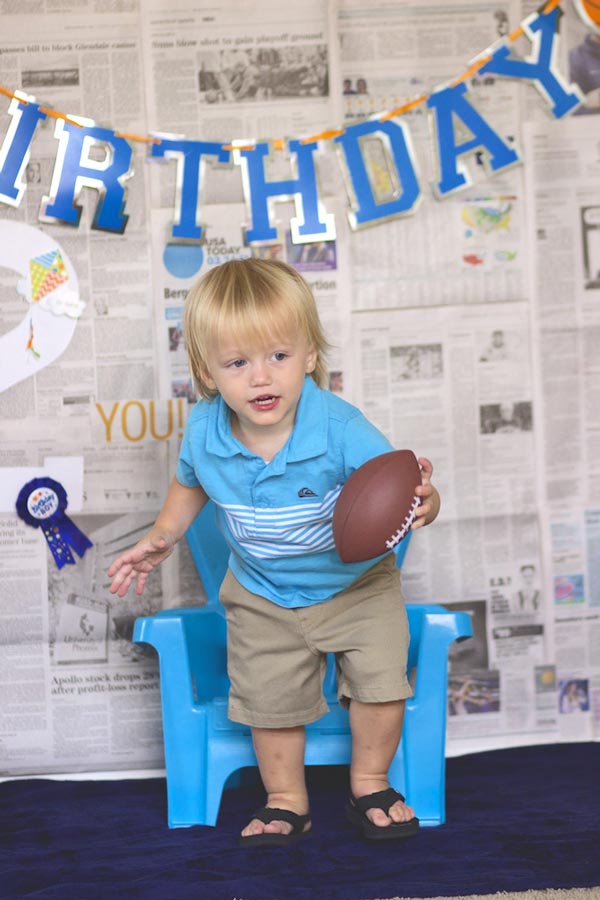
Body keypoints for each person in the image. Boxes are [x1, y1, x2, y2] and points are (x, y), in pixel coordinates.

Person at [108, 258, 440, 847]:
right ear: (207, 373)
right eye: (238, 363)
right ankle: (286, 799)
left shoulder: (340, 427)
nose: (261, 378)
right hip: (262, 591)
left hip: (357, 587)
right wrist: (164, 533)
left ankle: (370, 782)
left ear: (310, 355)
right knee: (270, 701)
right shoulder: (205, 431)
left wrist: (424, 500)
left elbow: (398, 488)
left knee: (380, 683)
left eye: (278, 357)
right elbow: (190, 481)